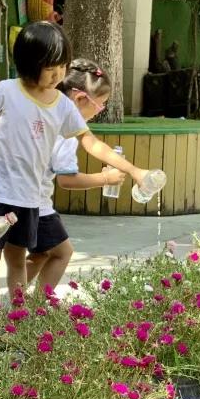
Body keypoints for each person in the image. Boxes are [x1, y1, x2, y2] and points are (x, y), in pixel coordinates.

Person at [0, 22, 150, 311]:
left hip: (27, 199)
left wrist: (134, 170)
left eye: (62, 67)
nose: (58, 75)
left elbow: (91, 142)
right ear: (30, 64)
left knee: (17, 261)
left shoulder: (63, 106)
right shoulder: (6, 90)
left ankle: (15, 320)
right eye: (51, 68)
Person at [27, 59, 139, 295]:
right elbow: (66, 180)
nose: (100, 110)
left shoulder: (46, 109)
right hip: (35, 203)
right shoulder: (68, 128)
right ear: (80, 99)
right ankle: (33, 305)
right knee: (62, 252)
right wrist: (105, 179)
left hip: (22, 195)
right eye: (100, 104)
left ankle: (14, 301)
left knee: (41, 252)